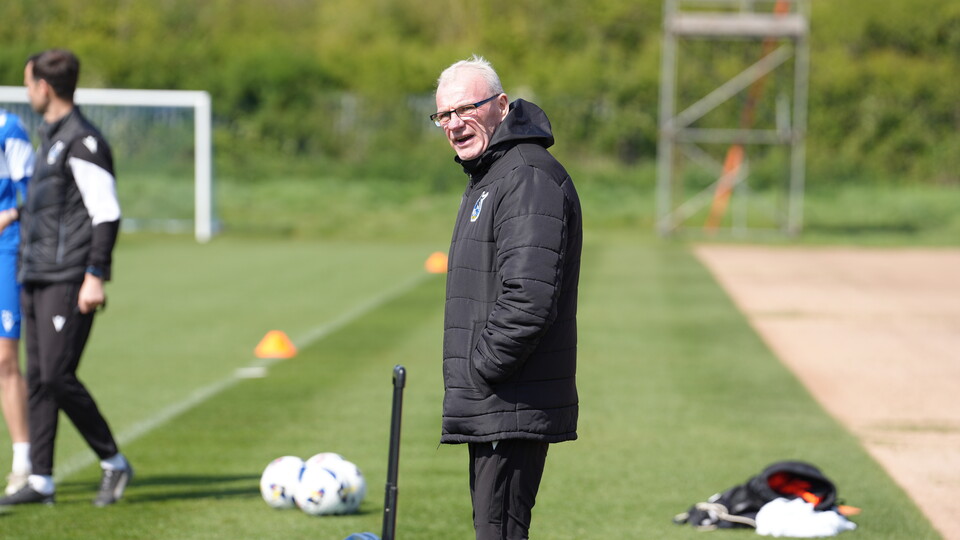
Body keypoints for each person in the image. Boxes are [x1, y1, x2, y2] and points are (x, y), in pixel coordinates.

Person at [432, 55, 582, 540]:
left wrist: (484, 368)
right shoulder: (491, 174)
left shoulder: (527, 175)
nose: (454, 124)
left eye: (465, 109)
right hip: (495, 401)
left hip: (508, 398)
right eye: (444, 115)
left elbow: (529, 297)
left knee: (499, 530)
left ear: (500, 105)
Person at [0, 49, 132, 507]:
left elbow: (107, 212)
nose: (26, 91)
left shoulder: (83, 141)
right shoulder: (50, 138)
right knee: (38, 377)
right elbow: (47, 206)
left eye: (27, 83)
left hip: (69, 276)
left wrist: (95, 275)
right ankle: (41, 479)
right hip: (35, 273)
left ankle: (113, 461)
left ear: (43, 87)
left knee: (56, 375)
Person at [0, 107, 34, 496]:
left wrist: (8, 214)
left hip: (5, 250)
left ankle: (23, 463)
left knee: (5, 359)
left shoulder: (9, 128)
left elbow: (36, 193)